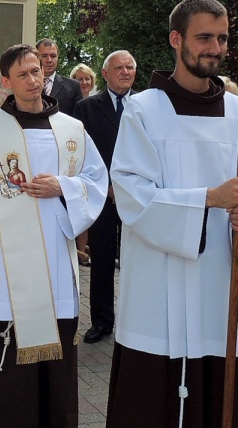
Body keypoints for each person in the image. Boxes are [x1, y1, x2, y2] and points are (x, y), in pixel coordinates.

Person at [105, 0, 238, 428]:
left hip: (220, 280)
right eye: (204, 37)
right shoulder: (144, 109)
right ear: (176, 39)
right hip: (157, 285)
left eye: (221, 38)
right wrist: (207, 199)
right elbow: (131, 192)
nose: (215, 48)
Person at [0, 44, 108, 428]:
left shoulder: (71, 129)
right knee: (8, 335)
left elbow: (97, 181)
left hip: (54, 250)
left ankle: (55, 418)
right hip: (6, 255)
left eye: (36, 71)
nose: (33, 80)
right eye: (23, 74)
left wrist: (63, 187)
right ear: (7, 82)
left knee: (58, 335)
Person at [72, 49, 137, 344]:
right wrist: (105, 184)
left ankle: (136, 321)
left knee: (138, 260)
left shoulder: (144, 106)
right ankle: (101, 322)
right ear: (106, 74)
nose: (125, 72)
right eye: (119, 67)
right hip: (102, 196)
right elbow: (81, 153)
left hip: (138, 197)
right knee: (101, 262)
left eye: (130, 67)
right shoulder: (86, 108)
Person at [36, 38, 83, 116]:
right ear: (36, 58)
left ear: (58, 58)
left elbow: (78, 118)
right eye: (44, 56)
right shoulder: (27, 84)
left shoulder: (73, 87)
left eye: (53, 56)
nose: (49, 60)